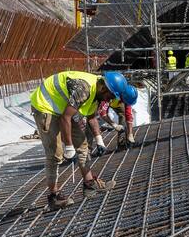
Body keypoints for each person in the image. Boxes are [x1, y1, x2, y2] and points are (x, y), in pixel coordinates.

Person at [29, 70, 138, 209]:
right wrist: (69, 147)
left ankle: (89, 184)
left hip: (65, 107)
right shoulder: (84, 89)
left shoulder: (98, 93)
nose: (110, 100)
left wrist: (99, 139)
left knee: (83, 145)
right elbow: (65, 118)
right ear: (104, 87)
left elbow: (91, 116)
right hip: (45, 106)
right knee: (55, 154)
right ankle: (53, 197)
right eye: (110, 96)